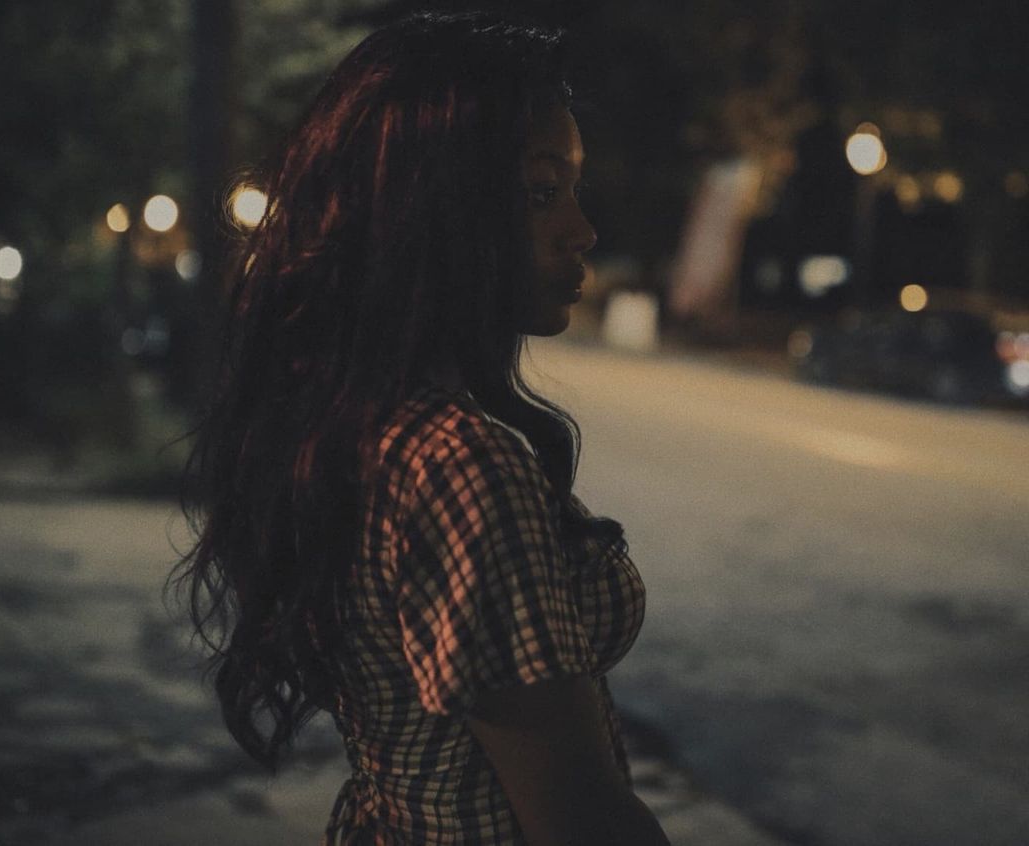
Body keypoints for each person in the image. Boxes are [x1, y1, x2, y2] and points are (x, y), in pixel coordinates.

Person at [174, 11, 669, 845]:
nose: (582, 231)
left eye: (572, 191)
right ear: (435, 208)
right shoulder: (459, 464)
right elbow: (583, 823)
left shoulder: (360, 423)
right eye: (540, 193)